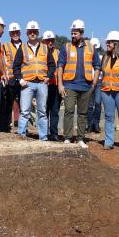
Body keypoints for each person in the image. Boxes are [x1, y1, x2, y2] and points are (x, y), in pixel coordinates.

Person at [58, 19, 100, 148]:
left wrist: (94, 84)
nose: (73, 35)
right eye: (72, 33)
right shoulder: (66, 47)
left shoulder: (91, 47)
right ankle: (68, 138)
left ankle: (81, 138)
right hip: (70, 85)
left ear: (81, 33)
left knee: (83, 113)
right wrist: (60, 85)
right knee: (69, 111)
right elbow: (60, 67)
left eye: (75, 33)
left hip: (86, 86)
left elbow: (97, 67)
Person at [13, 22, 56, 141]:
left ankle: (43, 137)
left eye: (35, 31)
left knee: (42, 112)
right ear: (27, 33)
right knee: (24, 111)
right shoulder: (22, 48)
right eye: (30, 32)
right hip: (27, 84)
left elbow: (52, 65)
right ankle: (21, 136)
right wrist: (20, 80)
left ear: (38, 33)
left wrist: (48, 77)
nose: (32, 34)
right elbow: (16, 66)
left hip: (42, 83)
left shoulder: (45, 47)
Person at [0, 22, 23, 132]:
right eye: (13, 32)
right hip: (11, 78)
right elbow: (2, 61)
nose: (15, 34)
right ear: (9, 34)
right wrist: (4, 75)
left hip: (22, 79)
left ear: (20, 32)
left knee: (23, 104)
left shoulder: (25, 46)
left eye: (16, 32)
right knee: (8, 103)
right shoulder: (5, 46)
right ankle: (6, 126)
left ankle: (22, 127)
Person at [43, 30, 61, 140]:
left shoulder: (58, 52)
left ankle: (54, 134)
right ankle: (44, 133)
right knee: (44, 110)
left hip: (56, 85)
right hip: (44, 85)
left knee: (54, 111)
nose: (50, 42)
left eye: (52, 40)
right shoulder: (41, 52)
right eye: (47, 40)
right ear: (43, 41)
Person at [86, 36, 103, 133]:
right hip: (89, 82)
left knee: (97, 103)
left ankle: (96, 124)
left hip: (99, 82)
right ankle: (90, 125)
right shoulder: (87, 57)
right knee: (89, 105)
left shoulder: (102, 58)